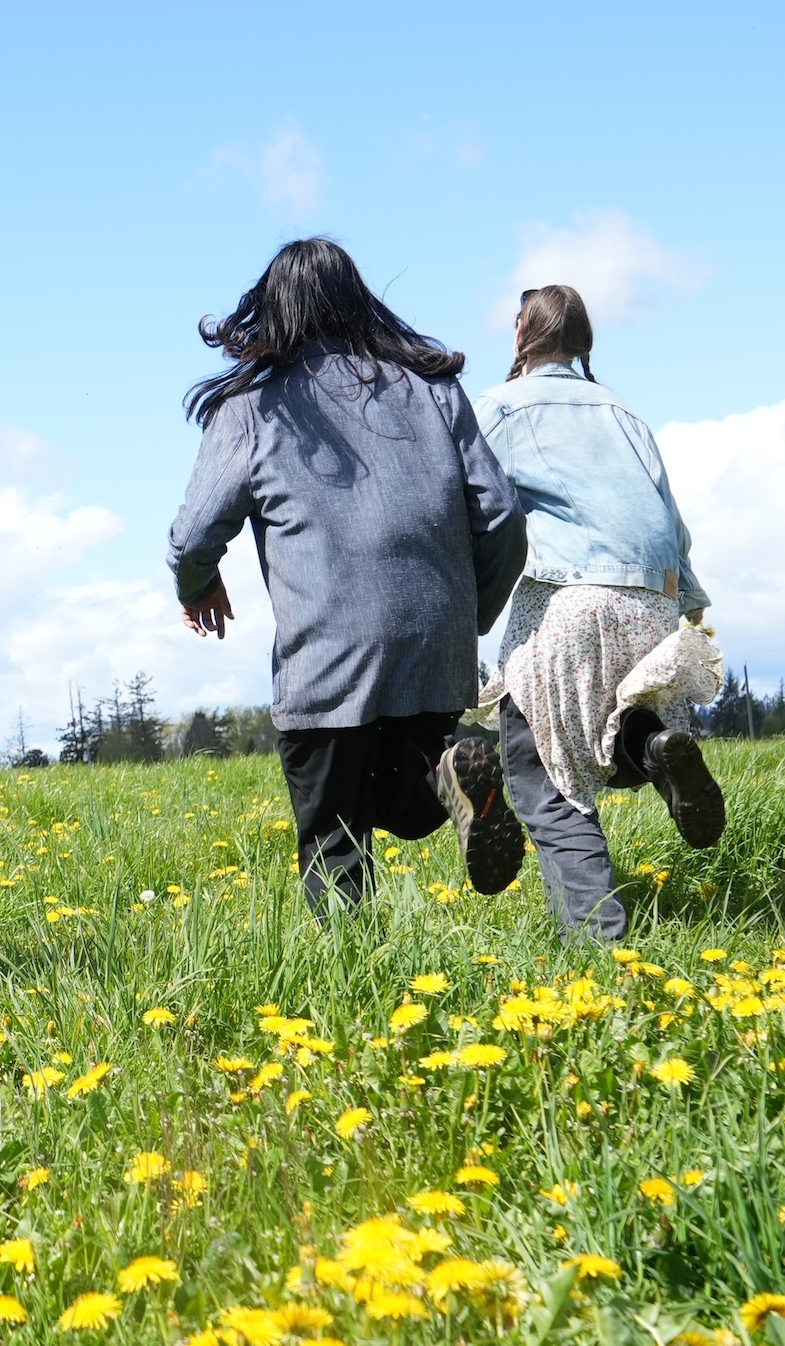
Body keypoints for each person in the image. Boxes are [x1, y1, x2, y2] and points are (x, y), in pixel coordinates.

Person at [167, 239, 529, 913]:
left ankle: (352, 993)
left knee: (336, 843)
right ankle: (448, 774)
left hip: (329, 657)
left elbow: (194, 533)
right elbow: (503, 515)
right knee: (412, 793)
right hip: (435, 644)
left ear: (270, 312)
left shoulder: (254, 406)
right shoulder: (433, 389)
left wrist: (197, 584)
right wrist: (466, 614)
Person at [473, 285, 726, 940]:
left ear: (520, 336)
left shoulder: (498, 407)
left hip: (569, 600)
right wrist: (689, 608)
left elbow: (466, 502)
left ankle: (597, 950)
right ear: (585, 341)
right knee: (613, 735)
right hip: (652, 600)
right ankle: (656, 748)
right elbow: (670, 518)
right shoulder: (625, 412)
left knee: (544, 780)